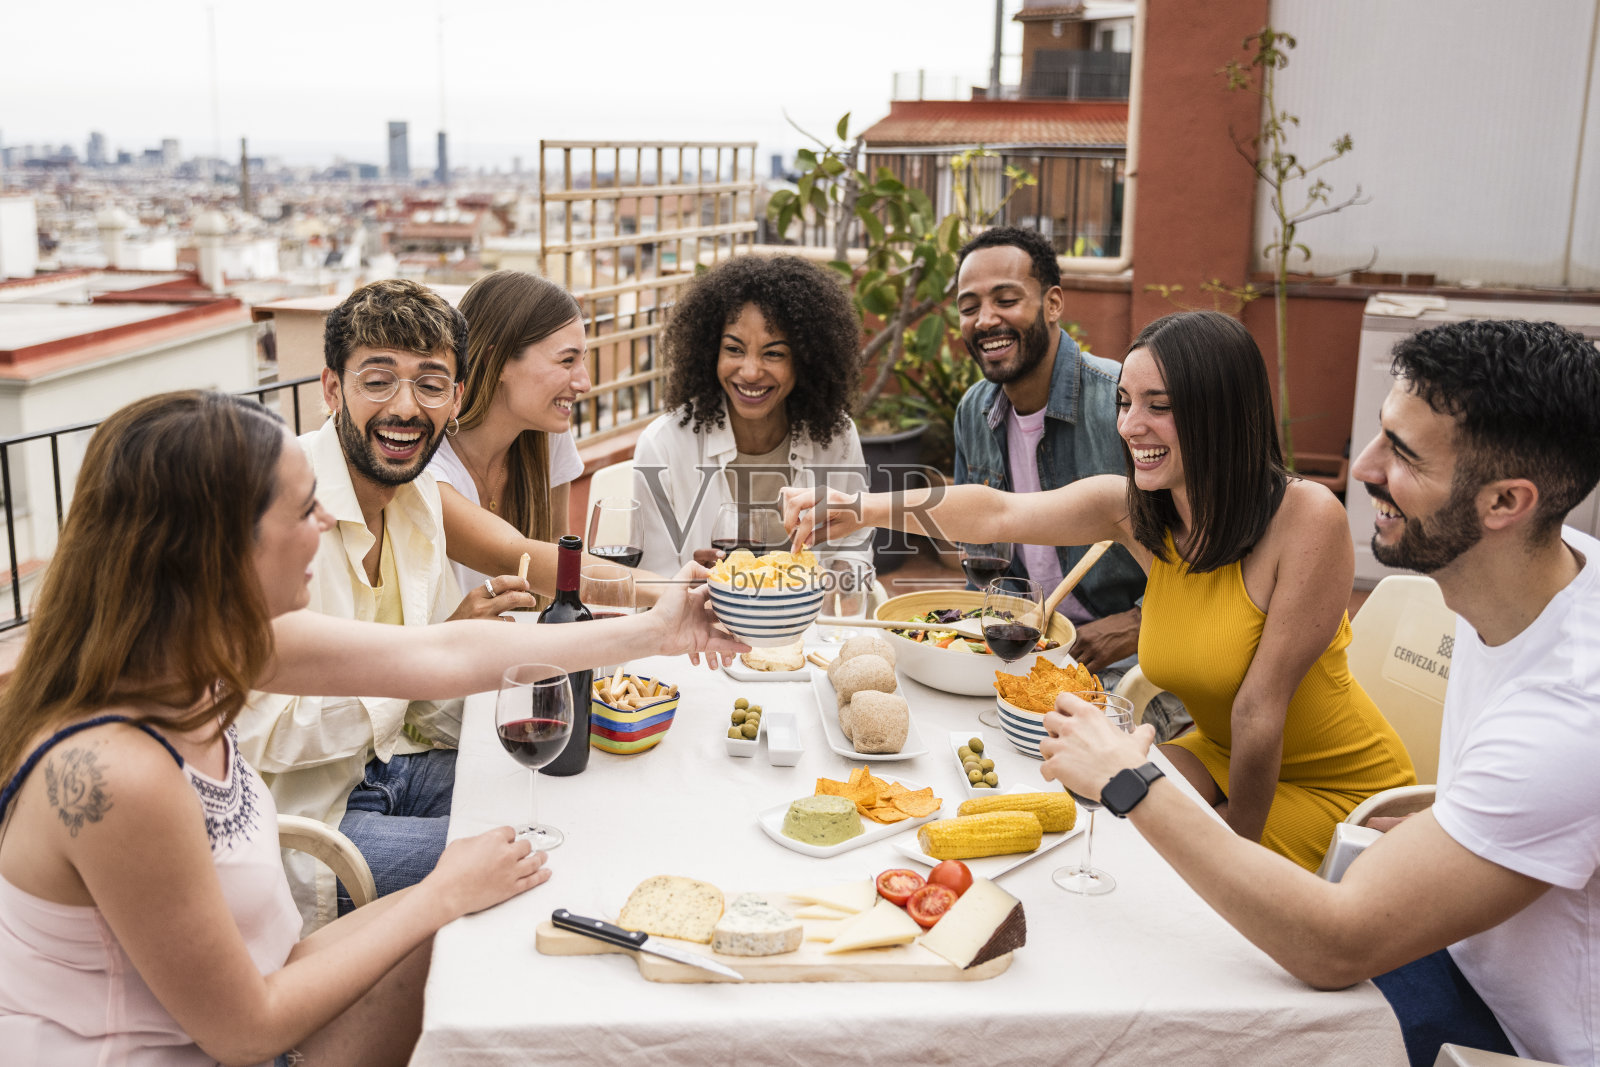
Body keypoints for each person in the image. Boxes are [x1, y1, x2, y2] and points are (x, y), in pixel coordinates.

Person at [0, 390, 743, 1066]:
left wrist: (659, 628)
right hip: (246, 1047)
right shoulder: (115, 776)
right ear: (215, 548)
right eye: (303, 511)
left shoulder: (215, 648)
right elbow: (247, 1030)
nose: (325, 522)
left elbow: (443, 654)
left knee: (509, 926)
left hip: (271, 1003)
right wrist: (439, 893)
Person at [1036, 319, 1600, 1067]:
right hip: (1445, 942)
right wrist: (1449, 818)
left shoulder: (1570, 715)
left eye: (1401, 453)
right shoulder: (1536, 571)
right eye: (1379, 436)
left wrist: (1128, 778)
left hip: (1500, 1033)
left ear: (1505, 502)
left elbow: (1334, 945)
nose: (1361, 467)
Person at [784, 310, 1416, 871]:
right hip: (1218, 750)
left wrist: (1233, 859)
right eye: (1124, 402)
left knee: (1169, 873)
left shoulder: (1305, 518)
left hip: (1329, 783)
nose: (1131, 426)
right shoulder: (1139, 509)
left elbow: (1259, 709)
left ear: (1222, 411)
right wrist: (858, 507)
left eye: (1159, 406)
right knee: (1095, 825)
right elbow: (999, 512)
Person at [239, 278, 538, 929]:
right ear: (331, 389)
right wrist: (424, 658)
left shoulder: (420, 500)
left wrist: (468, 652)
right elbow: (254, 735)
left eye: (430, 384)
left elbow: (424, 716)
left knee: (552, 798)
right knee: (530, 857)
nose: (406, 407)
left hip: (392, 769)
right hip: (309, 830)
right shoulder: (275, 511)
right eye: (378, 380)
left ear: (456, 399)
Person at [951, 227, 1150, 684]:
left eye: (1005, 299)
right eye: (969, 307)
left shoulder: (1123, 401)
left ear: (1053, 304)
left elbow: (1208, 551)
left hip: (1129, 659)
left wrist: (1138, 624)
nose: (984, 320)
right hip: (1024, 647)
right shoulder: (972, 412)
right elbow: (977, 560)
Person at [633, 254, 870, 575]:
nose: (750, 371)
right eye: (734, 349)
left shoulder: (836, 436)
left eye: (773, 353)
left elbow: (855, 548)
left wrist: (836, 579)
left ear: (804, 359)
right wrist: (691, 585)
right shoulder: (663, 446)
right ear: (709, 351)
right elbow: (652, 582)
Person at [429, 270, 651, 599]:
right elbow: (518, 556)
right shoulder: (427, 464)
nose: (584, 383)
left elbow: (560, 561)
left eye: (583, 361)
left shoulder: (546, 434)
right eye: (567, 361)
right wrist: (674, 590)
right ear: (498, 360)